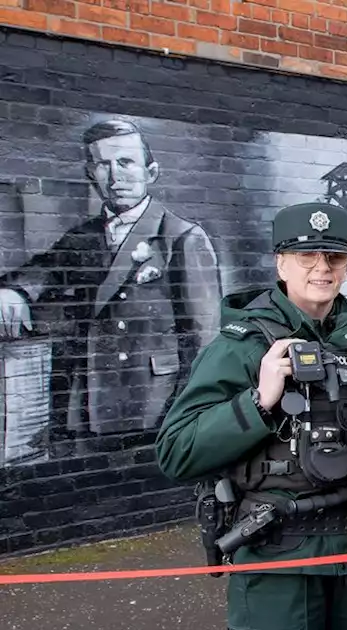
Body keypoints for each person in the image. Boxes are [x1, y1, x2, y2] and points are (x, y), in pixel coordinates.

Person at [154, 202, 347, 630]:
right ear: (280, 262)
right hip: (276, 560)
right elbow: (176, 451)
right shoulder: (242, 345)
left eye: (334, 256)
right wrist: (259, 400)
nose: (322, 267)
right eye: (306, 255)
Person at [0, 118, 221, 455]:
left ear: (151, 172)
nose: (115, 176)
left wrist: (187, 413)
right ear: (91, 174)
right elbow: (44, 269)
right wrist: (14, 291)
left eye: (126, 162)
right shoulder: (83, 237)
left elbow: (205, 341)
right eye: (103, 165)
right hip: (85, 400)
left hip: (151, 405)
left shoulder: (182, 238)